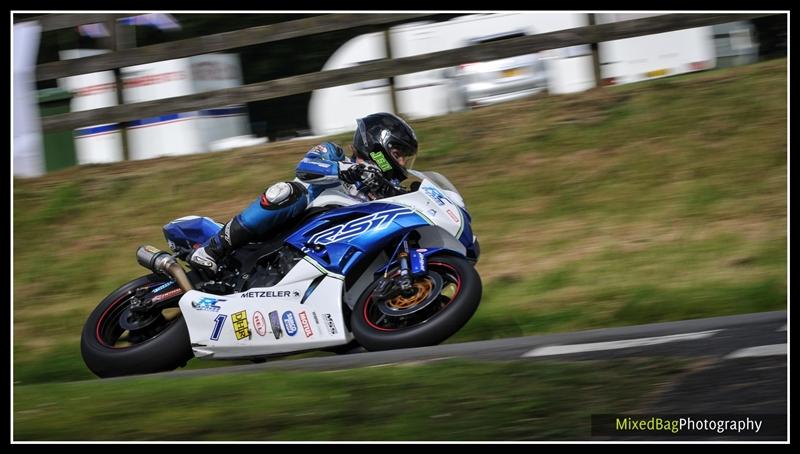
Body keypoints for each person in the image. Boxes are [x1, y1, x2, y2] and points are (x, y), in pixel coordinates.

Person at [188, 112, 419, 274]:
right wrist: (347, 170)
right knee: (286, 192)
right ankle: (213, 249)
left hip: (332, 251)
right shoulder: (334, 153)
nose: (402, 163)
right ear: (379, 147)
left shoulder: (386, 192)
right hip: (293, 229)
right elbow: (305, 167)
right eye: (398, 154)